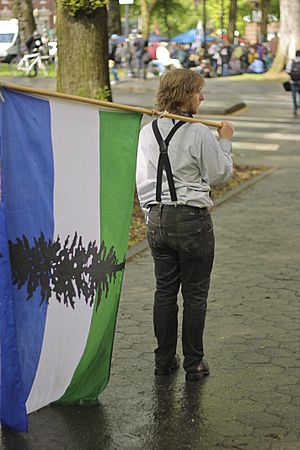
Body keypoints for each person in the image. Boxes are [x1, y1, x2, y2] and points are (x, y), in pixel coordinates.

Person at [136, 69, 234, 381]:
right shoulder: (199, 132)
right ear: (183, 94)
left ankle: (163, 361)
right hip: (192, 221)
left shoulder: (148, 131)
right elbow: (219, 174)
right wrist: (226, 142)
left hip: (158, 219)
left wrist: (151, 212)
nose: (202, 97)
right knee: (194, 294)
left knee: (164, 291)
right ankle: (194, 362)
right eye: (198, 92)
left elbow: (143, 182)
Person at [286, 50, 300, 115]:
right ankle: (299, 103)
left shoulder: (291, 61)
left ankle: (295, 108)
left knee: (294, 96)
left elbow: (288, 71)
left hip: (293, 81)